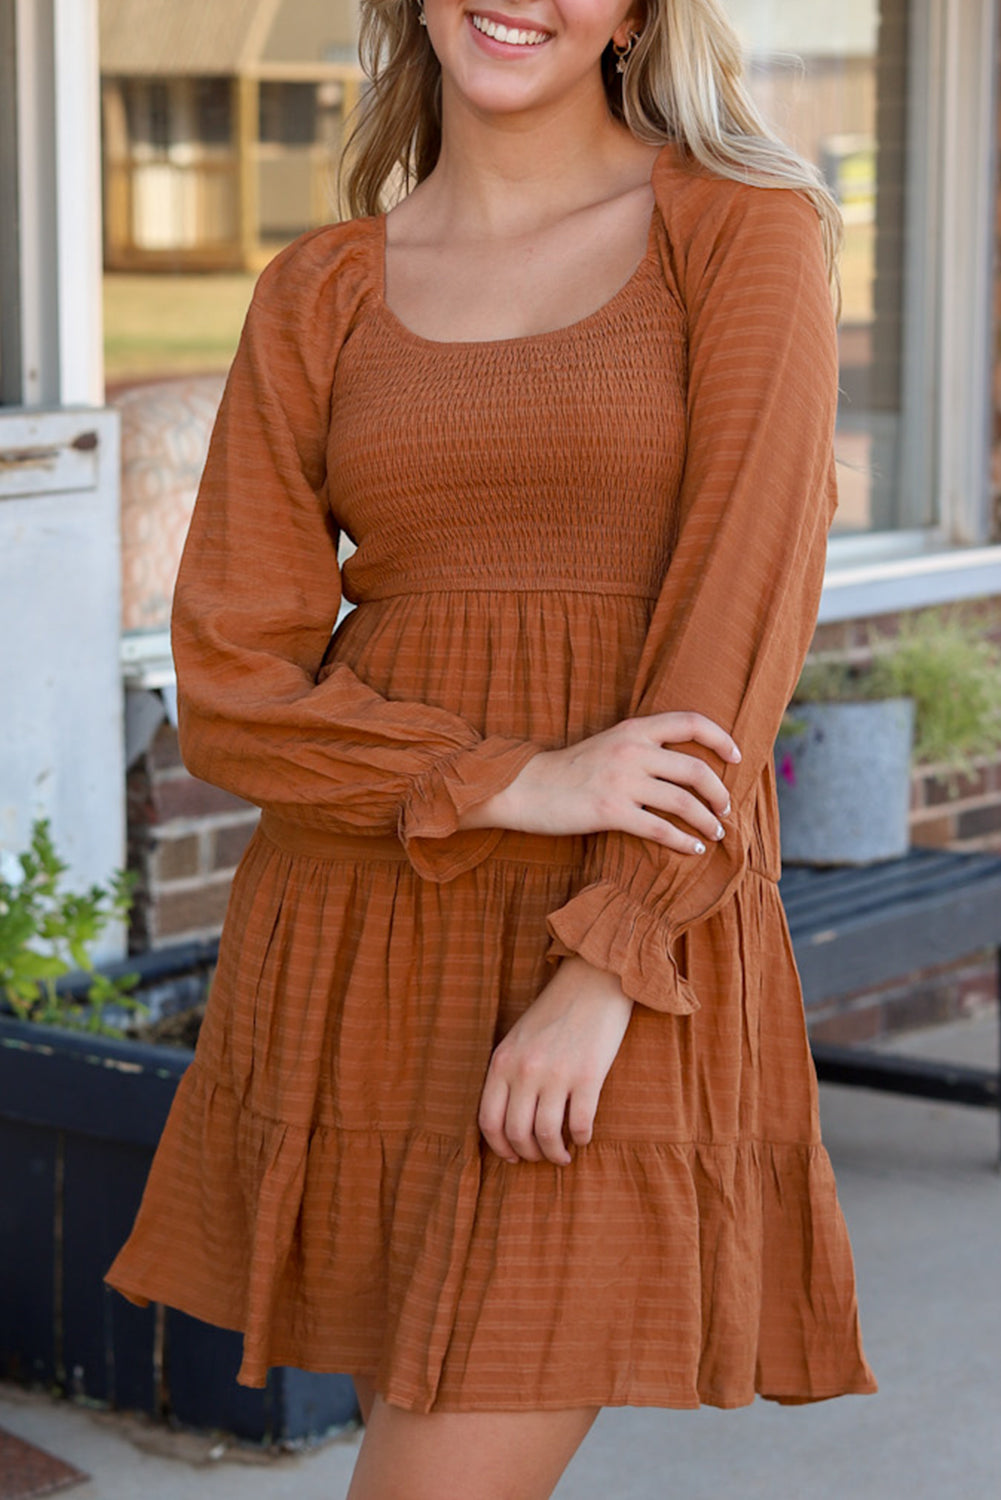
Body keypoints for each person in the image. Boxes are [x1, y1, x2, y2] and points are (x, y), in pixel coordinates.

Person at [105, 0, 879, 1494]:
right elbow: (231, 682)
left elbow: (743, 606)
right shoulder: (319, 289)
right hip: (367, 921)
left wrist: (608, 963)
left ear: (637, 14)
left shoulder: (736, 231)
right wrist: (515, 778)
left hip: (624, 928)